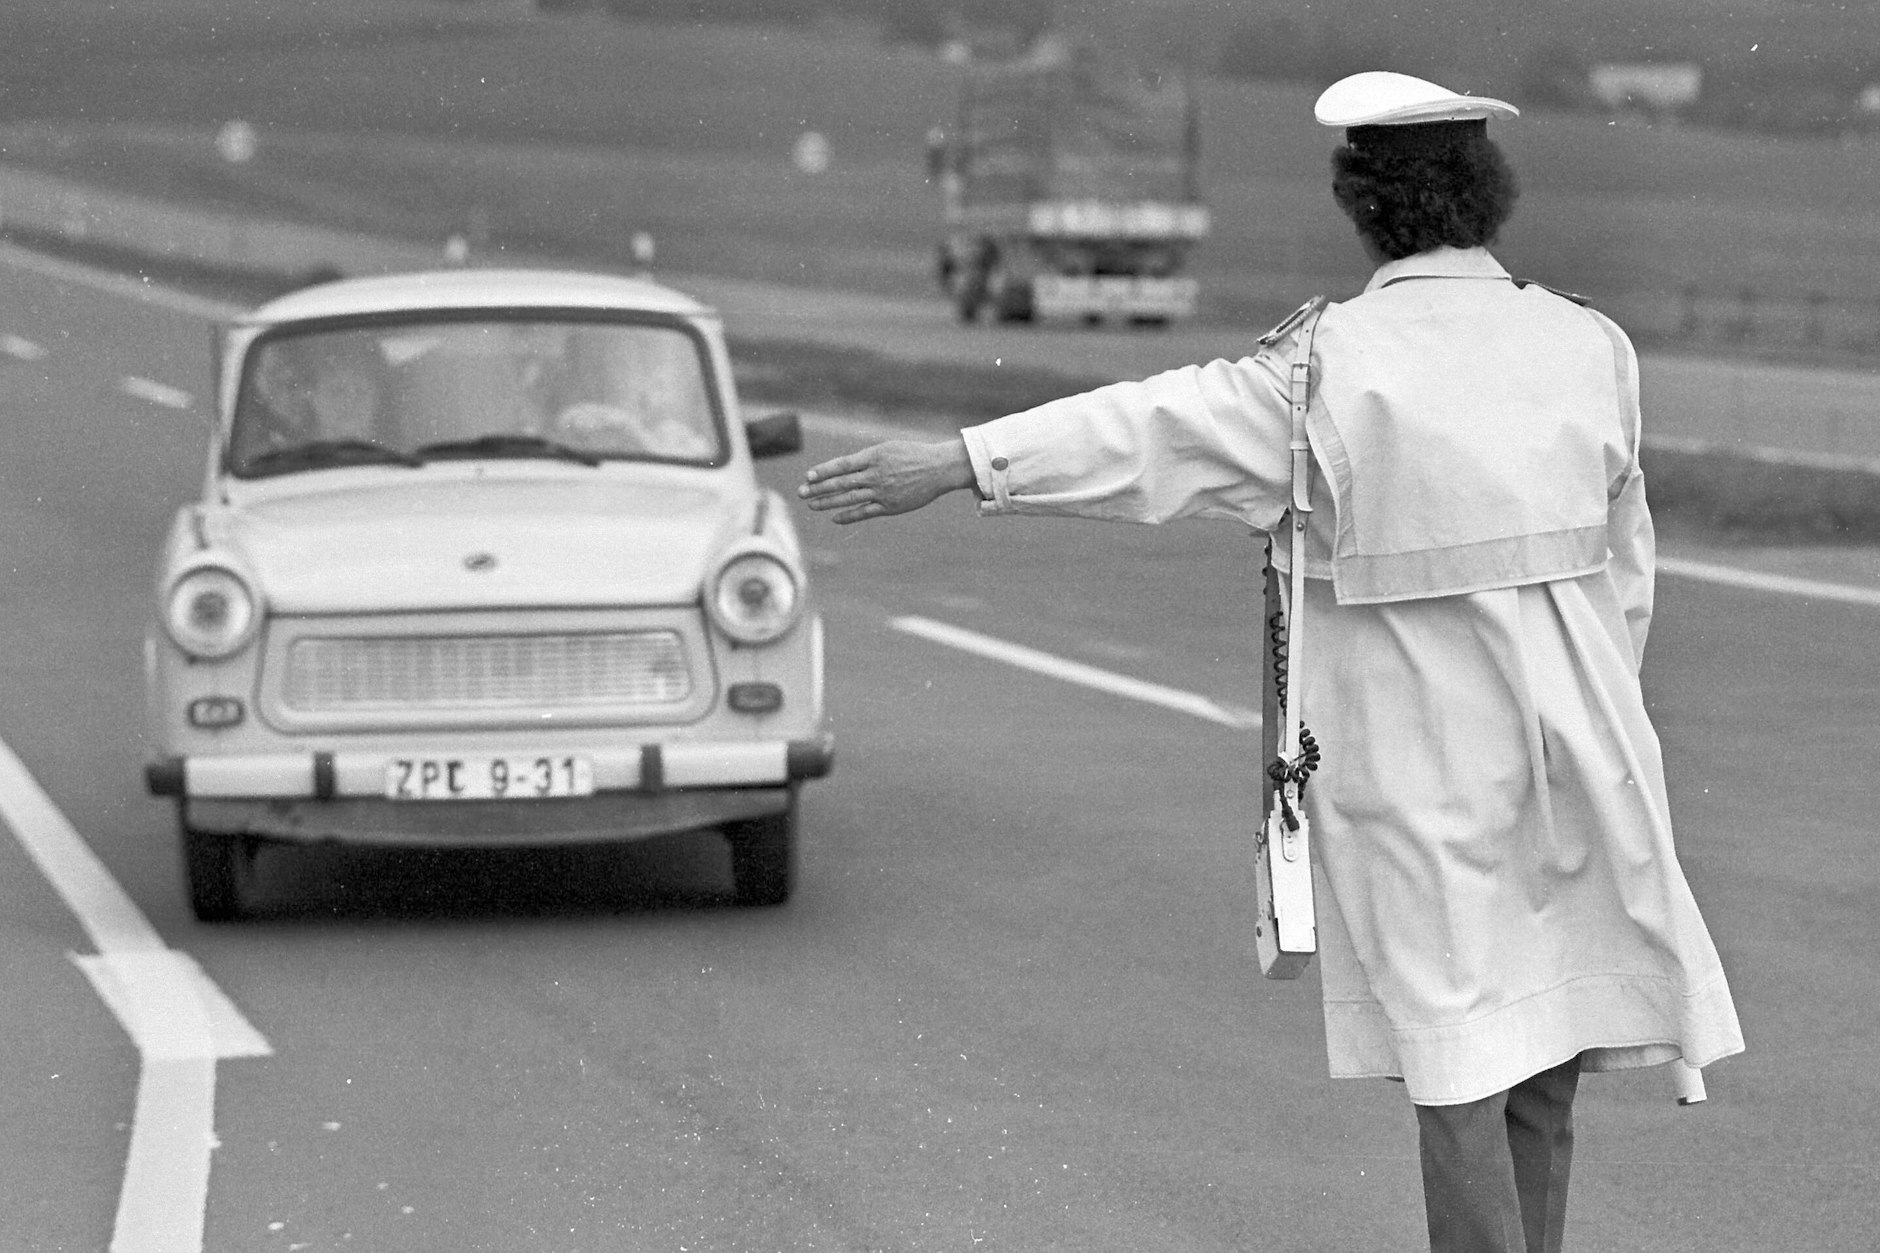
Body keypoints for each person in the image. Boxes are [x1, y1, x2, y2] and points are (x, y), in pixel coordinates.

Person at [797, 70, 1744, 1253]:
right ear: (1487, 198)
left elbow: (1145, 430)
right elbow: (1627, 575)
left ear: (1362, 206)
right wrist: (1596, 715)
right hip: (1584, 744)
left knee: (1454, 1063)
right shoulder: (1589, 346)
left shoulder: (1319, 368)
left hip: (1419, 770)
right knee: (1546, 1054)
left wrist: (962, 460)